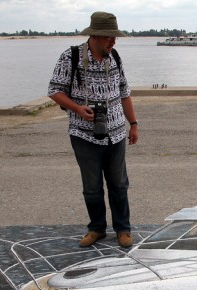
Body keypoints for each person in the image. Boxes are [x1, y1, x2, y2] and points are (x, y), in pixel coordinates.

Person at [48, 11, 139, 248]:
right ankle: (96, 228)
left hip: (116, 132)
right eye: (109, 37)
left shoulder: (114, 57)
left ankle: (123, 229)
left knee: (119, 184)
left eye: (114, 37)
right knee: (91, 187)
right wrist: (78, 109)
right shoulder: (71, 57)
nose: (113, 41)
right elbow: (54, 90)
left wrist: (134, 124)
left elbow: (124, 93)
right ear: (95, 36)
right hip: (83, 134)